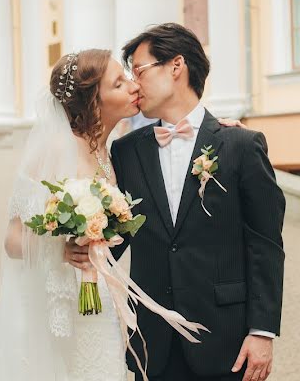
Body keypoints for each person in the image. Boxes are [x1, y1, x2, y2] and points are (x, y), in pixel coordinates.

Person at [0, 46, 252, 381]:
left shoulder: (113, 154)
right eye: (118, 84)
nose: (133, 86)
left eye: (128, 77)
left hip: (100, 305)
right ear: (92, 101)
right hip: (59, 307)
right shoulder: (55, 149)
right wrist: (62, 248)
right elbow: (12, 240)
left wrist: (218, 132)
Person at [66, 23, 285, 381]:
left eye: (139, 70)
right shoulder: (126, 151)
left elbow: (265, 245)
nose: (134, 84)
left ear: (176, 66)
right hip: (152, 342)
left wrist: (262, 332)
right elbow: (119, 235)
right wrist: (82, 248)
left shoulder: (241, 146)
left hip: (226, 339)